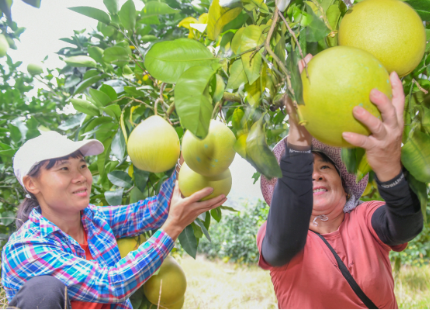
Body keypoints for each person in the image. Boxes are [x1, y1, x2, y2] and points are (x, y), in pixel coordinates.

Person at [258, 55, 424, 310]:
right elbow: (280, 245)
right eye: (305, 172)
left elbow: (405, 227)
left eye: (325, 167)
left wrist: (390, 169)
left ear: (346, 188)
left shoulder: (364, 218)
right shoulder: (277, 231)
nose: (315, 174)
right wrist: (298, 146)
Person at [2, 131, 226, 310]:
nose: (80, 177)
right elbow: (112, 285)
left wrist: (182, 164)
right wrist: (172, 228)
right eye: (64, 169)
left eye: (82, 166)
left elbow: (155, 212)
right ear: (31, 184)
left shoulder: (93, 219)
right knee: (44, 290)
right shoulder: (25, 249)